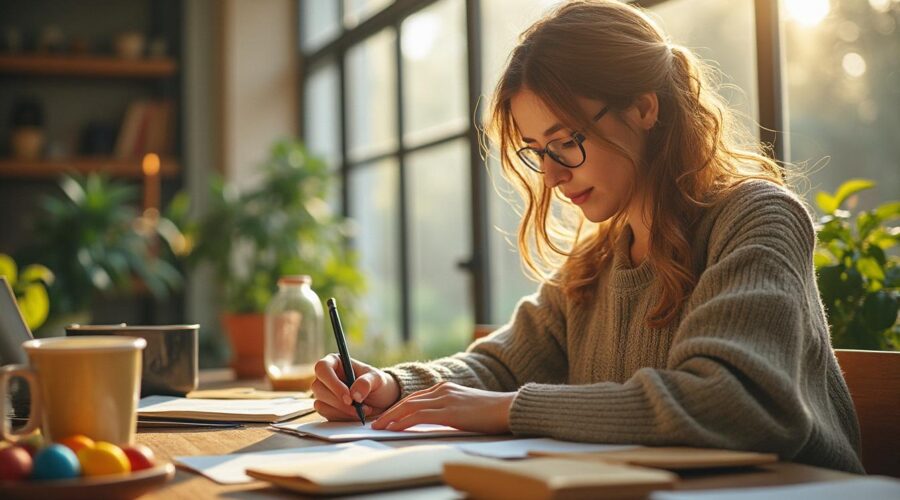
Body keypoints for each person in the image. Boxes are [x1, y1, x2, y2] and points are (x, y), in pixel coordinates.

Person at [311, 0, 864, 473]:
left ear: (644, 107)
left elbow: (731, 402)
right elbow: (501, 366)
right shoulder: (599, 257)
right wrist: (389, 386)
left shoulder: (756, 218)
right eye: (536, 150)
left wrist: (507, 409)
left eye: (565, 141)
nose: (550, 175)